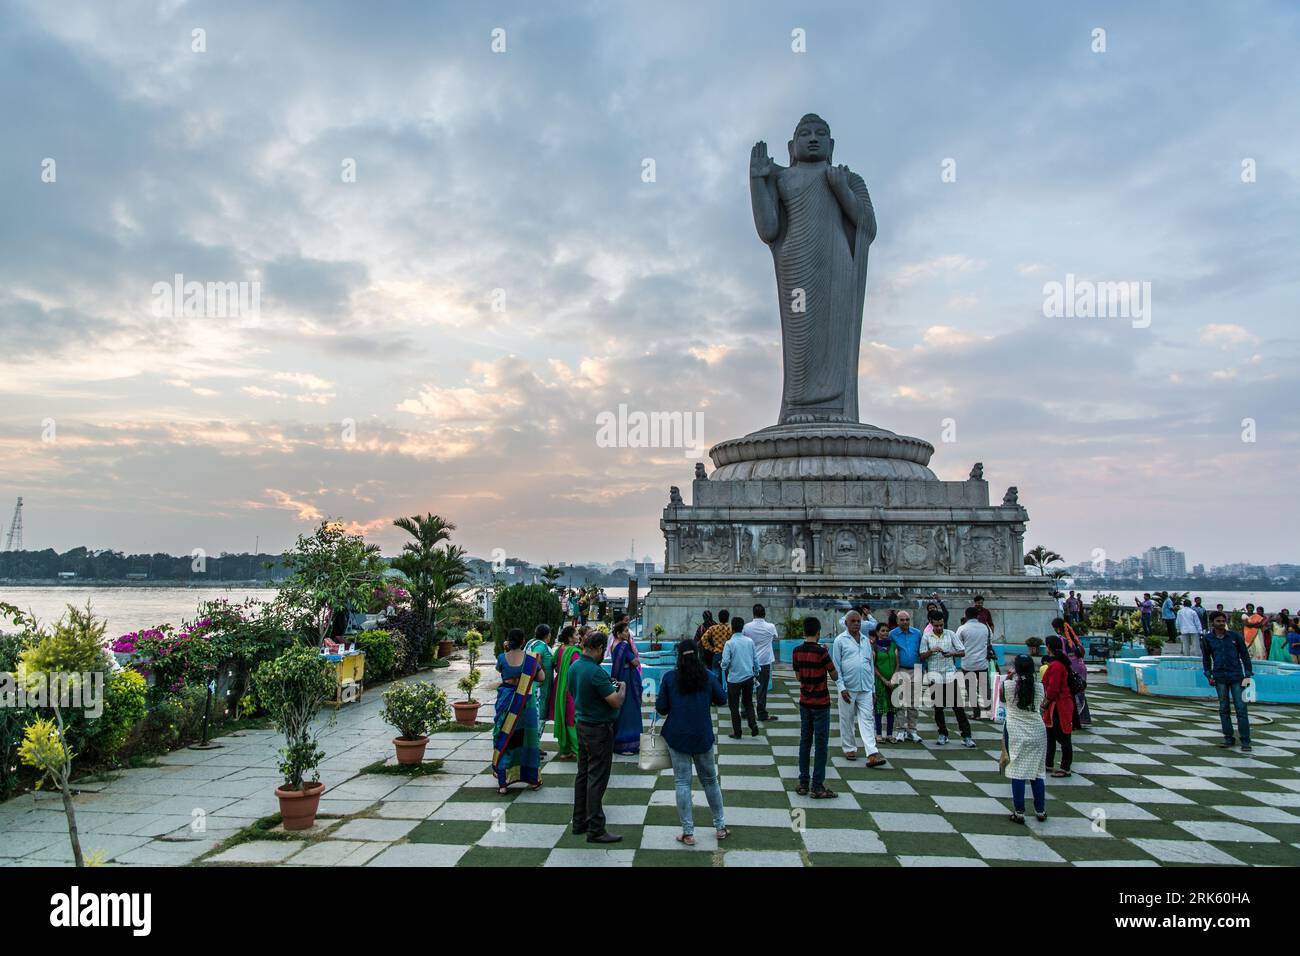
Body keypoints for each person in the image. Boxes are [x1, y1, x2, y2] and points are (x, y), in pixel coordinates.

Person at [656, 638, 729, 845]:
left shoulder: (670, 678)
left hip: (677, 736)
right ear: (698, 655)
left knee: (682, 782)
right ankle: (720, 826)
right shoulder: (707, 676)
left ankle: (688, 832)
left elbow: (661, 708)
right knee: (710, 781)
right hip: (702, 735)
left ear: (678, 656)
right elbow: (722, 699)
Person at [569, 628, 627, 842]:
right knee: (597, 778)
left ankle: (579, 821)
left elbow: (573, 692)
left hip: (582, 725)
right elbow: (616, 701)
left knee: (583, 775)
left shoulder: (575, 666)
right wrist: (623, 687)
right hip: (598, 729)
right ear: (599, 648)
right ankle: (595, 828)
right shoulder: (595, 671)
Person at [492, 628, 545, 794]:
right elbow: (541, 678)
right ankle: (533, 779)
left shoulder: (502, 658)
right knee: (528, 739)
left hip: (506, 701)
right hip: (525, 704)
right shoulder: (530, 660)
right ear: (523, 641)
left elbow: (501, 671)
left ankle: (503, 783)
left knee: (506, 737)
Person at [831, 610, 887, 766]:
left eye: (858, 621)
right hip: (848, 687)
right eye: (853, 621)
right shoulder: (839, 641)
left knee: (867, 719)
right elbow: (836, 666)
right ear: (846, 623)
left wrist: (873, 690)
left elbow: (870, 665)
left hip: (866, 687)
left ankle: (872, 752)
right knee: (847, 719)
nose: (856, 624)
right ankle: (849, 748)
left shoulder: (866, 641)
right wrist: (841, 687)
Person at [792, 616, 838, 798]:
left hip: (805, 701)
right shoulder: (822, 652)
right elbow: (834, 675)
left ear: (804, 631)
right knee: (821, 745)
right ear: (818, 633)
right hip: (821, 703)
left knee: (805, 742)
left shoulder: (796, 651)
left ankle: (803, 782)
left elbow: (797, 677)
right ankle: (817, 785)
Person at [1002, 654, 1048, 823]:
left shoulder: (1007, 685)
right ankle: (1040, 811)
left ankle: (1019, 812)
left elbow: (1001, 700)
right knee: (1037, 772)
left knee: (1017, 771)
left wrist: (1007, 677)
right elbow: (1042, 704)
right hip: (1037, 730)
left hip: (1015, 730)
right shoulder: (1040, 687)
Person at [1202, 610, 1253, 752]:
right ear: (1213, 622)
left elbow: (1244, 656)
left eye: (1223, 621)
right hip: (1220, 677)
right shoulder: (1207, 639)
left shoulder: (1234, 636)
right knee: (1224, 709)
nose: (1221, 624)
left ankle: (1246, 741)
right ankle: (1228, 738)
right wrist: (1208, 674)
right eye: (1218, 621)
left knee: (1241, 708)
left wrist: (1247, 673)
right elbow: (1206, 658)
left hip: (1236, 676)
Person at [920, 610, 971, 747]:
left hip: (950, 674)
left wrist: (951, 653)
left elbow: (962, 651)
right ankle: (943, 734)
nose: (939, 628)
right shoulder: (926, 637)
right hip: (934, 675)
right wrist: (931, 651)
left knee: (958, 707)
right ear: (931, 623)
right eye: (936, 626)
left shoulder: (951, 634)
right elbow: (922, 656)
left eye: (941, 625)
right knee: (938, 708)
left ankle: (966, 736)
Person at [1042, 635, 1075, 777]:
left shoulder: (1056, 666)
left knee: (1063, 737)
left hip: (1059, 705)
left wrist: (1045, 702)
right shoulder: (1058, 663)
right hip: (1057, 704)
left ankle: (1065, 767)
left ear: (1049, 646)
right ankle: (1048, 763)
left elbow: (1053, 688)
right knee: (1050, 735)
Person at [721, 614, 759, 738]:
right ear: (742, 627)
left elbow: (725, 662)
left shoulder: (729, 643)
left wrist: (722, 666)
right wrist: (756, 672)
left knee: (733, 707)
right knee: (748, 703)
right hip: (748, 677)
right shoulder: (750, 641)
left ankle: (737, 732)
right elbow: (755, 659)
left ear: (732, 628)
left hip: (734, 679)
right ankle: (753, 724)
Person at [888, 611, 924, 742]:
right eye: (902, 620)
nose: (905, 622)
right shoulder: (892, 634)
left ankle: (912, 730)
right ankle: (900, 730)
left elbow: (922, 650)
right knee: (901, 702)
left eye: (907, 620)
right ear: (897, 621)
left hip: (916, 669)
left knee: (914, 703)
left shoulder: (917, 633)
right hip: (901, 669)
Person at [609, 621, 643, 755]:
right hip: (627, 680)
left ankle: (620, 743)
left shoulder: (614, 644)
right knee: (629, 711)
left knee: (622, 710)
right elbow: (635, 661)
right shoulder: (623, 645)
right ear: (618, 633)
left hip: (621, 678)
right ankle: (626, 745)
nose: (627, 633)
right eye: (625, 631)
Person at [550, 625, 582, 760]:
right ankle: (577, 750)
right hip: (569, 687)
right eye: (576, 634)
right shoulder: (574, 652)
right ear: (570, 638)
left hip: (559, 686)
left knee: (563, 716)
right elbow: (578, 669)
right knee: (571, 718)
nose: (578, 637)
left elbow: (553, 664)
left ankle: (565, 749)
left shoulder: (559, 649)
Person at [743, 603, 780, 722]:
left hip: (750, 661)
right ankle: (761, 713)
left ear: (753, 614)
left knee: (747, 688)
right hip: (764, 662)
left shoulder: (747, 627)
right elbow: (775, 637)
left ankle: (745, 711)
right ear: (764, 614)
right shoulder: (770, 627)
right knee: (762, 689)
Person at [955, 605, 994, 716]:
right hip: (982, 663)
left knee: (971, 688)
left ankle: (976, 712)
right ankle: (989, 709)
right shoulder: (985, 628)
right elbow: (990, 641)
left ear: (966, 616)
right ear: (977, 616)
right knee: (985, 686)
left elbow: (958, 645)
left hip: (968, 664)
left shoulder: (962, 628)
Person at [1051, 617, 1090, 727]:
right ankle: (1083, 718)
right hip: (1080, 665)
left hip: (1072, 667)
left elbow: (1063, 656)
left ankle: (1076, 718)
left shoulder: (1062, 640)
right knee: (1080, 691)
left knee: (1072, 693)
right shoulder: (1074, 638)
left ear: (1058, 628)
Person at [525, 623, 556, 734]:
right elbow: (536, 657)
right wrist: (541, 672)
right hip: (540, 687)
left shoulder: (531, 642)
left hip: (533, 684)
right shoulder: (540, 645)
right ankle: (535, 744)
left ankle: (534, 744)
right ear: (547, 635)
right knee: (539, 713)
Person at [871, 622, 899, 744]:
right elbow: (873, 665)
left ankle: (889, 734)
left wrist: (893, 679)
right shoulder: (874, 647)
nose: (885, 633)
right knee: (879, 708)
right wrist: (883, 680)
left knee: (891, 709)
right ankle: (878, 734)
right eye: (882, 631)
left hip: (893, 682)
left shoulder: (893, 646)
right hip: (880, 681)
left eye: (887, 630)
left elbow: (897, 663)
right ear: (877, 633)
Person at [699, 609, 732, 679]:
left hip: (717, 654)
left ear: (719, 618)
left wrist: (711, 648)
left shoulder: (713, 628)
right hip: (728, 655)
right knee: (728, 676)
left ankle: (716, 688)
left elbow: (703, 639)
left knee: (715, 676)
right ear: (728, 618)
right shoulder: (730, 628)